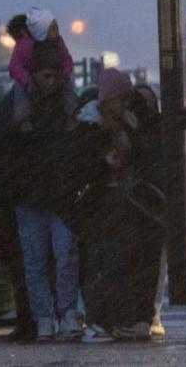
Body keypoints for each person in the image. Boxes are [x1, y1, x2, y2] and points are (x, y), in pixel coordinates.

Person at [70, 69, 165, 343]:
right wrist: (104, 163)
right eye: (122, 99)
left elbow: (146, 155)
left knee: (127, 262)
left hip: (127, 203)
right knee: (109, 262)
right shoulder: (90, 128)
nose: (125, 105)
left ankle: (126, 318)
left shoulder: (130, 125)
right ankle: (104, 319)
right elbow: (82, 168)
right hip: (103, 205)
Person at [0, 41, 82, 342]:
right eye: (46, 75)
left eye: (54, 75)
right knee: (53, 258)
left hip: (41, 193)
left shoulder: (18, 107)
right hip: (44, 194)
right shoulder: (67, 109)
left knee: (56, 257)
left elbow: (1, 148)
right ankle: (56, 314)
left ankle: (53, 314)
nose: (52, 81)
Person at [7, 8, 74, 92]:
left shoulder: (57, 41)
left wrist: (64, 76)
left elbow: (66, 60)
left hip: (54, 80)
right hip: (35, 82)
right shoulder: (24, 44)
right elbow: (15, 66)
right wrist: (28, 82)